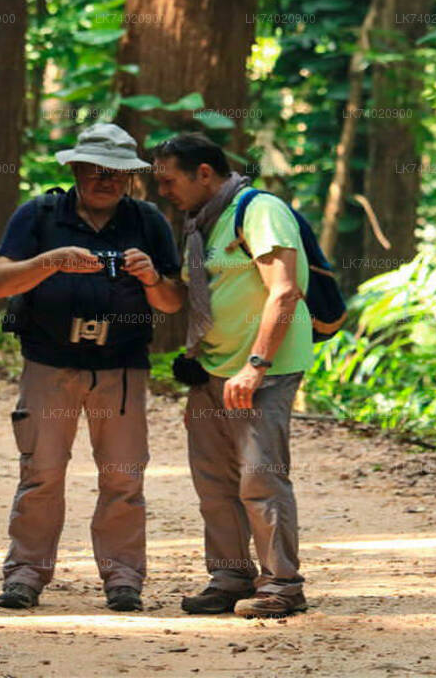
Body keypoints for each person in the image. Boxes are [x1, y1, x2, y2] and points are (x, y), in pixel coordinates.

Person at [0, 123, 182, 612]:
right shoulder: (39, 215)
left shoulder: (148, 221)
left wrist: (152, 277)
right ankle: (25, 575)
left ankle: (123, 580)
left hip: (122, 368)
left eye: (116, 172)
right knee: (42, 473)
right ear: (74, 168)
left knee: (123, 477)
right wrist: (50, 261)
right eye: (95, 170)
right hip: (48, 362)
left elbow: (174, 301)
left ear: (130, 177)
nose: (105, 179)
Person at [152, 133, 312, 618]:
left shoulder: (259, 210)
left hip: (264, 367)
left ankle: (282, 584)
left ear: (204, 173)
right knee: (212, 480)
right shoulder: (201, 222)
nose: (163, 191)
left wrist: (256, 365)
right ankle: (229, 577)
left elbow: (284, 292)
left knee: (259, 477)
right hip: (211, 367)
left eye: (169, 180)